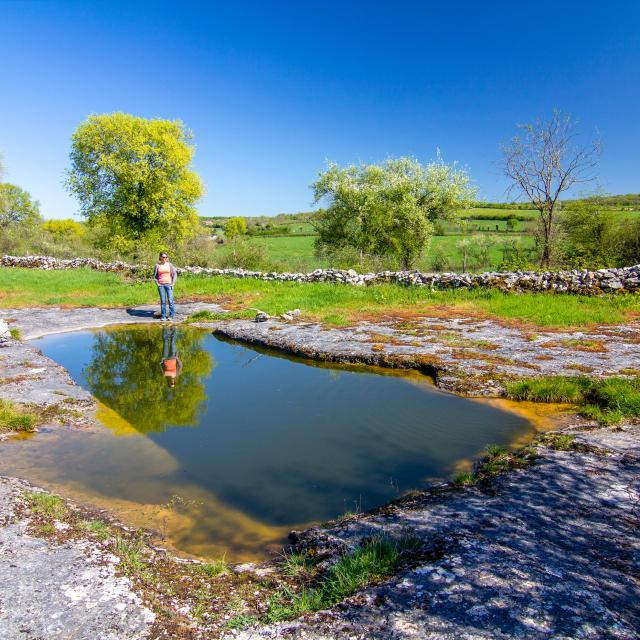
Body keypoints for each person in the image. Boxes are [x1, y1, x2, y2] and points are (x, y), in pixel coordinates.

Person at [153, 252, 177, 321]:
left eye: (166, 257)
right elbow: (154, 276)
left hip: (169, 285)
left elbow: (175, 274)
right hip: (161, 285)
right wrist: (157, 284)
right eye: (163, 257)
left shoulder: (170, 265)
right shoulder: (157, 265)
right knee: (163, 301)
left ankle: (171, 315)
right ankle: (163, 316)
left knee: (170, 300)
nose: (164, 258)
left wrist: (173, 283)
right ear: (160, 257)